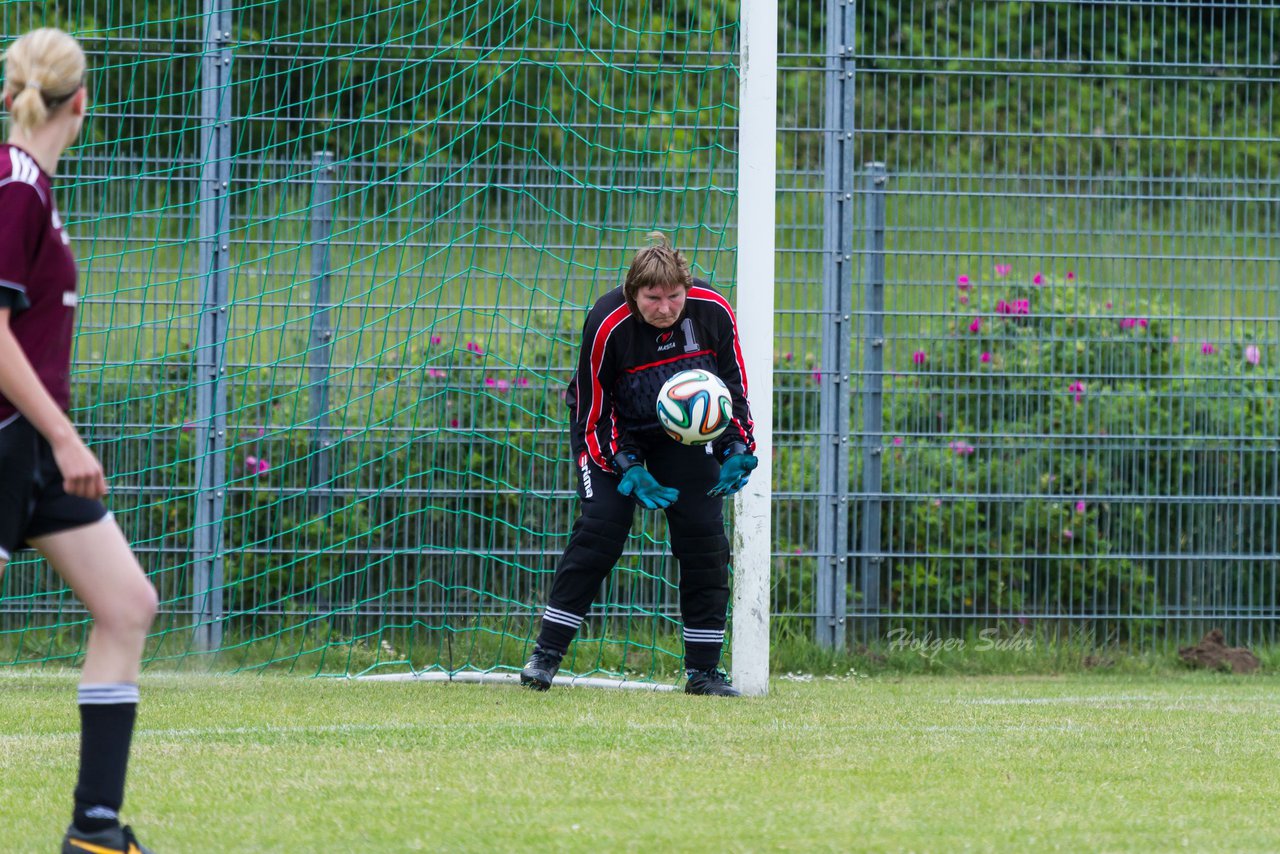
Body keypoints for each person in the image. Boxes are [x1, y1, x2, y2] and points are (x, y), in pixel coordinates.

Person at [0, 28, 159, 854]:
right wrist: (65, 438)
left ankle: (95, 833)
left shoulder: (32, 188)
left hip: (28, 451)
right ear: (83, 101)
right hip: (13, 444)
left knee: (128, 605)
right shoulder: (15, 183)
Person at [521, 232, 758, 696]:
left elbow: (732, 388)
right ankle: (545, 657)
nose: (666, 308)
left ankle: (704, 672)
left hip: (681, 437)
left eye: (674, 297)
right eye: (653, 298)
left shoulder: (713, 312)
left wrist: (735, 449)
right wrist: (627, 464)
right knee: (601, 528)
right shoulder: (607, 323)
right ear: (634, 294)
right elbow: (591, 409)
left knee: (705, 537)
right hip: (613, 430)